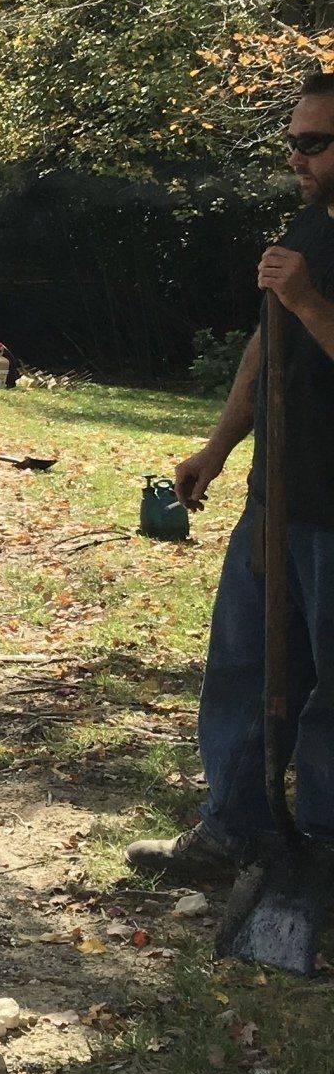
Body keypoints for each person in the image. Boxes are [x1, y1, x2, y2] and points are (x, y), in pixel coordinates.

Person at [127, 73, 334, 887]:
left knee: (330, 695)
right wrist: (217, 448)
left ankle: (318, 858)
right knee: (243, 665)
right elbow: (265, 345)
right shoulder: (309, 228)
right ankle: (233, 830)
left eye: (313, 143)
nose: (296, 158)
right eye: (292, 141)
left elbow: (304, 316)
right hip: (276, 496)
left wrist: (312, 300)